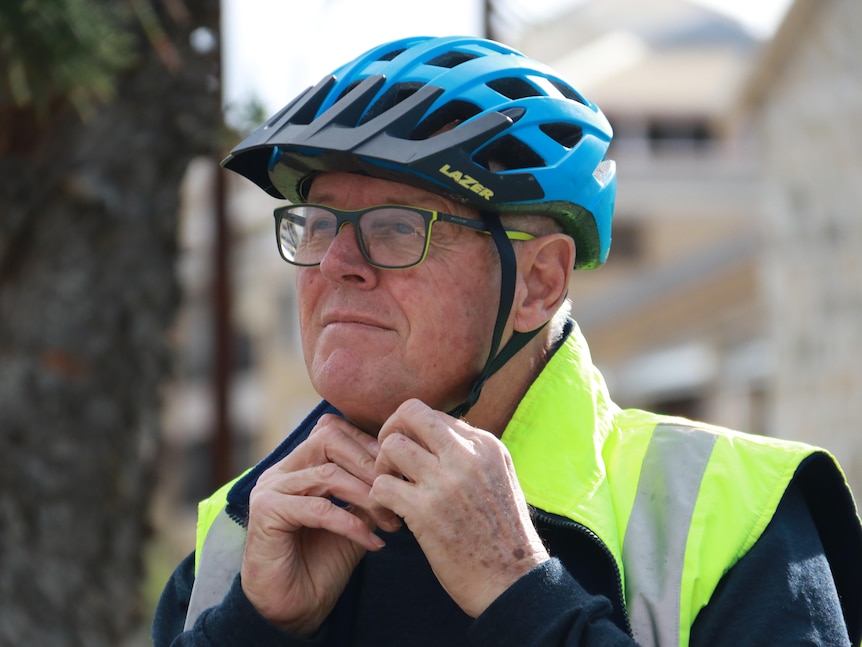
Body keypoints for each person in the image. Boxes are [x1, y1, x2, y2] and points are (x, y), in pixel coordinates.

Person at [153, 35, 862, 646]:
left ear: (538, 282)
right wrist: (252, 628)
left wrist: (523, 592)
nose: (336, 264)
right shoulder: (241, 531)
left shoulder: (736, 511)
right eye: (317, 221)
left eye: (398, 227)